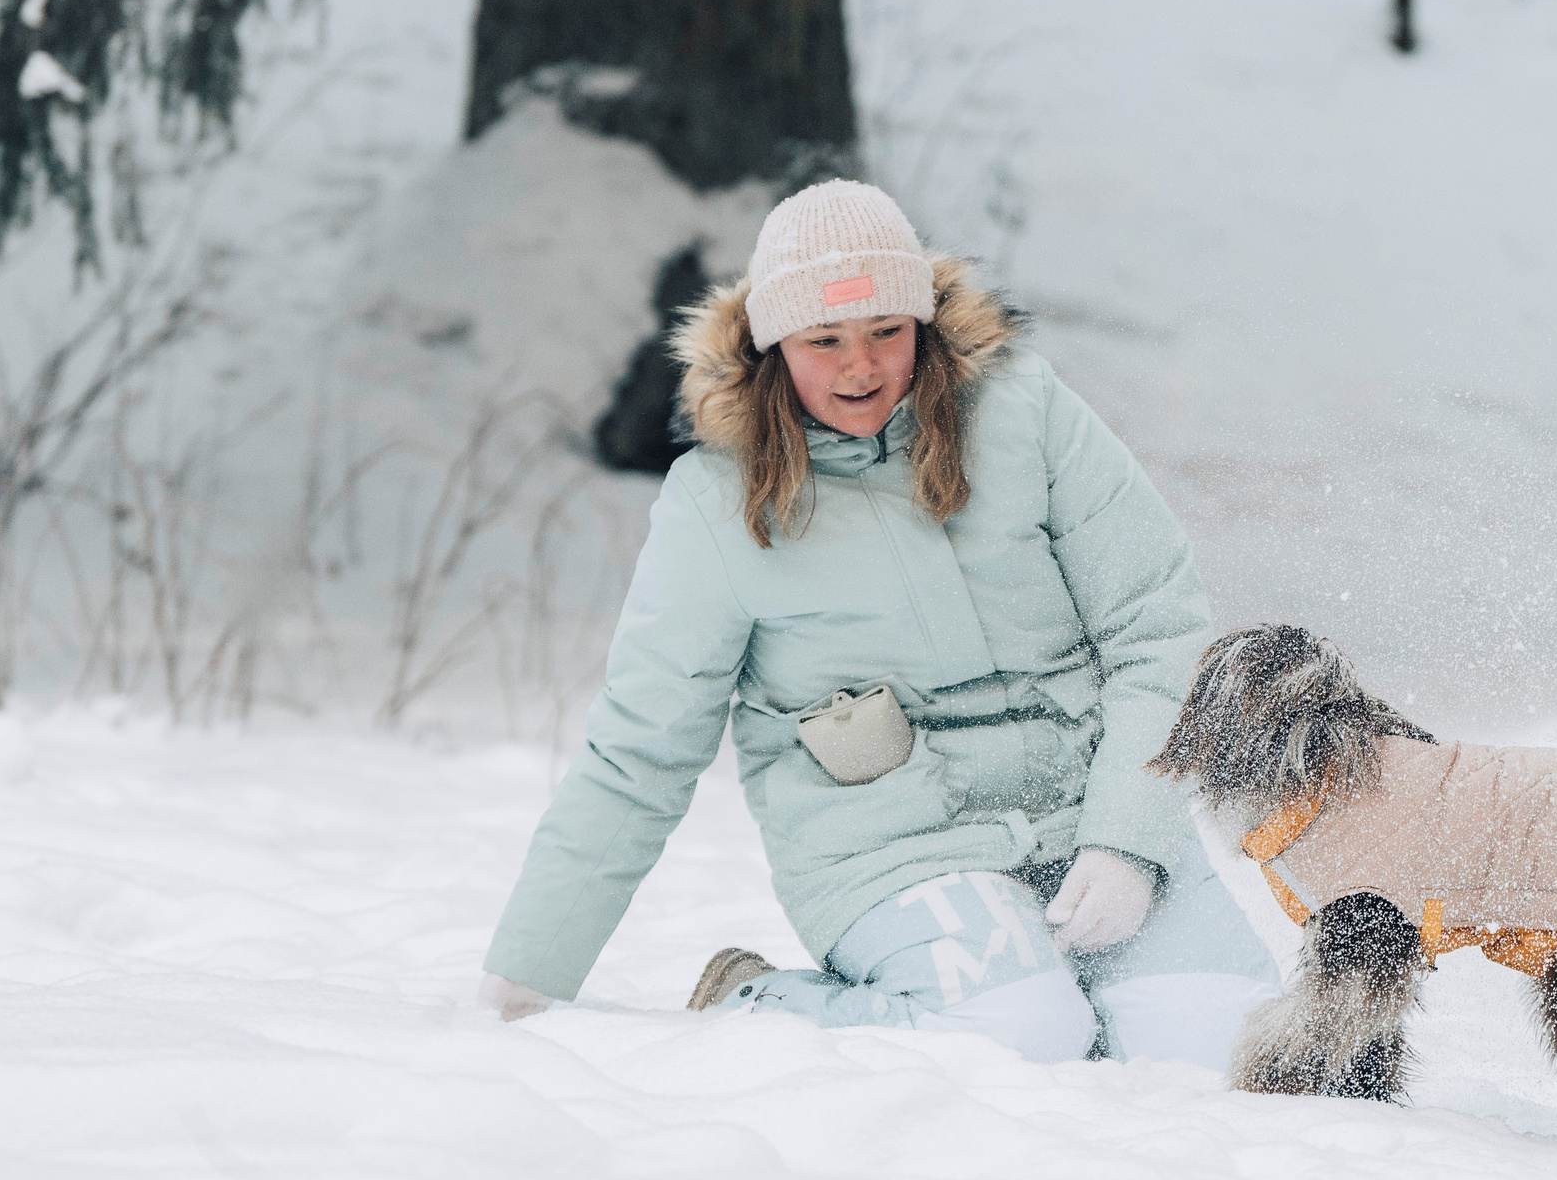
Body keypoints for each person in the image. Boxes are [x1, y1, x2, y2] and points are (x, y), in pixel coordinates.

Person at [476, 180, 1277, 1065]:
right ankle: (756, 999)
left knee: (1226, 1053)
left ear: (923, 324)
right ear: (775, 345)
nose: (860, 369)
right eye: (825, 341)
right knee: (1019, 1037)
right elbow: (643, 749)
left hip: (1087, 804)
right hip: (894, 845)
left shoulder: (1027, 412)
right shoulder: (716, 505)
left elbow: (1157, 627)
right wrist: (532, 968)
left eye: (886, 333)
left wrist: (1130, 837)